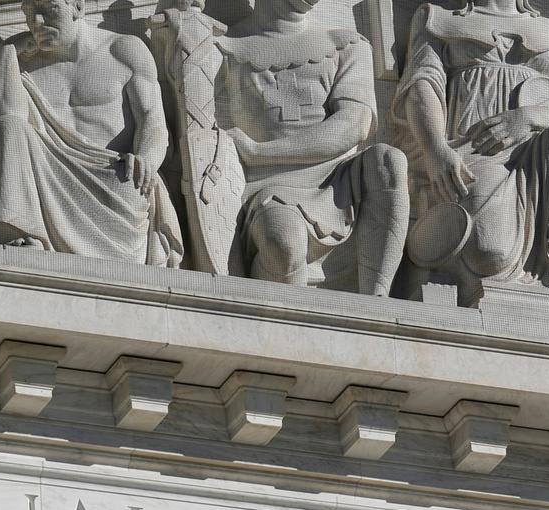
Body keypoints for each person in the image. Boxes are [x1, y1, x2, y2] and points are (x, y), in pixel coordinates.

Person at [168, 0, 406, 294]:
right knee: (283, 240)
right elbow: (198, 127)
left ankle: (377, 303)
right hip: (265, 187)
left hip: (336, 182)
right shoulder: (224, 49)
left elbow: (353, 126)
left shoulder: (346, 45)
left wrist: (258, 152)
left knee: (388, 161)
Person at [395, 0, 549, 303]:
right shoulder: (436, 18)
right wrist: (435, 150)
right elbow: (422, 88)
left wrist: (528, 119)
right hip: (473, 153)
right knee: (491, 251)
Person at [0, 0, 183, 265]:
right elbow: (3, 123)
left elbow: (153, 122)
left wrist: (147, 159)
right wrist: (5, 56)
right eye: (29, 13)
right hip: (40, 182)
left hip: (110, 179)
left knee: (132, 184)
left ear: (78, 6)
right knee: (10, 126)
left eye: (48, 9)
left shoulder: (123, 50)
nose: (37, 22)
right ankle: (18, 232)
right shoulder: (16, 61)